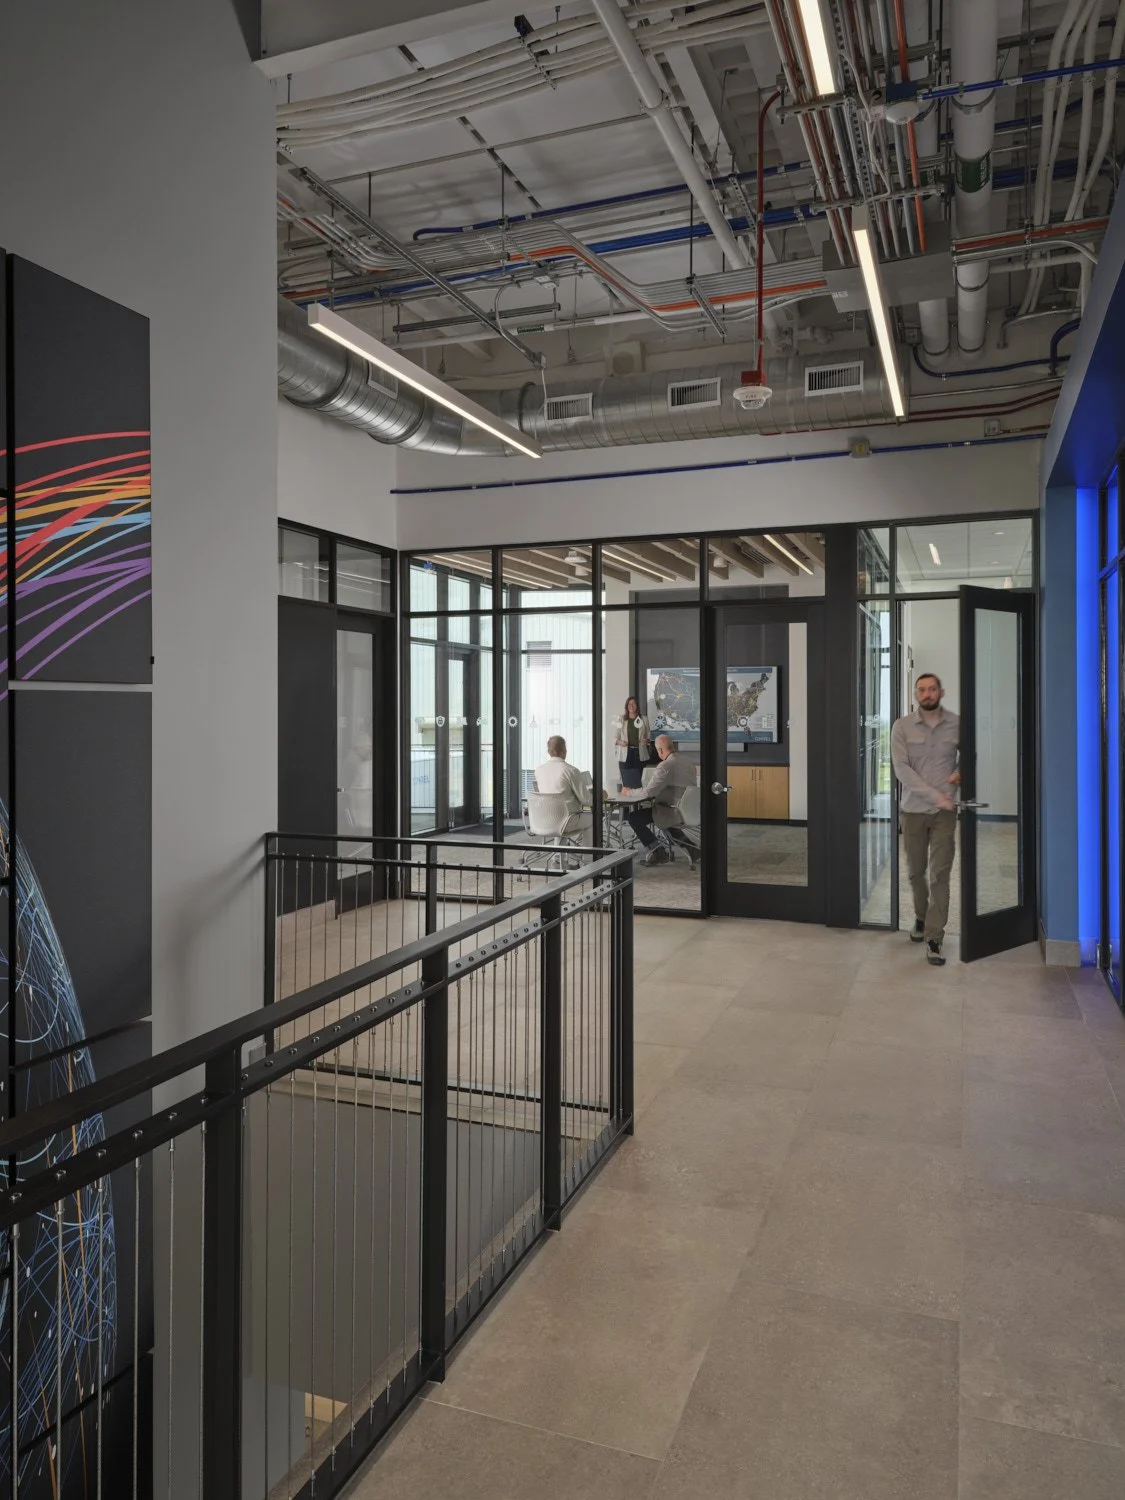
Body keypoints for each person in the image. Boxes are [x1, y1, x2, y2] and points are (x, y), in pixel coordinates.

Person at [891, 673, 961, 966]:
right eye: (922, 690)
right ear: (916, 693)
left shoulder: (957, 723)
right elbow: (901, 769)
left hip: (945, 813)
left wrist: (959, 774)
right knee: (915, 873)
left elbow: (970, 756)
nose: (927, 694)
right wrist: (936, 795)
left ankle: (934, 937)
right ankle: (921, 918)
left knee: (940, 875)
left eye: (932, 689)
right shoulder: (902, 726)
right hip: (913, 811)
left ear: (941, 692)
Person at [620, 733, 700, 868]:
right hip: (687, 810)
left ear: (660, 750)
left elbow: (648, 792)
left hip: (672, 810)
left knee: (634, 817)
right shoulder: (688, 762)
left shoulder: (666, 765)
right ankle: (692, 848)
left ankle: (657, 851)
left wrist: (629, 792)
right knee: (663, 819)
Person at [533, 735, 592, 839]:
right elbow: (587, 801)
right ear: (563, 751)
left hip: (544, 821)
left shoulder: (539, 770)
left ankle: (558, 854)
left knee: (559, 814)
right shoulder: (571, 771)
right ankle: (589, 855)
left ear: (549, 752)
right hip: (566, 822)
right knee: (593, 818)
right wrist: (601, 796)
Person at [612, 695, 652, 790]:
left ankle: (638, 803)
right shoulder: (621, 719)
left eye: (634, 703)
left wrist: (647, 740)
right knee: (626, 781)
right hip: (625, 754)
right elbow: (615, 738)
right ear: (627, 706)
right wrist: (620, 742)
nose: (631, 705)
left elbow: (650, 736)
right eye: (629, 704)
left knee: (638, 781)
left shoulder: (644, 719)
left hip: (639, 754)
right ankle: (626, 803)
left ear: (637, 706)